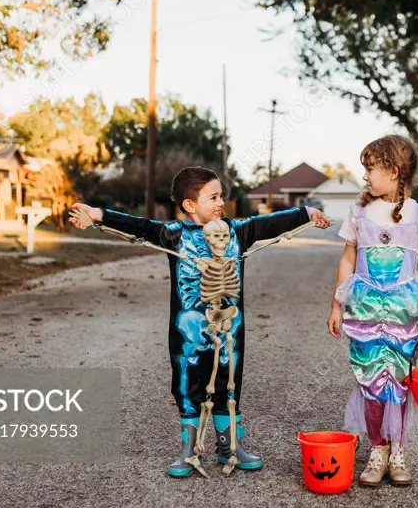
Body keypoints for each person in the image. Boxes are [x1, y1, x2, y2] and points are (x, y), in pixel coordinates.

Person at [70, 166, 331, 478]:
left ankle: (229, 448)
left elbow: (269, 223)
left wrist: (306, 212)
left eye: (221, 195)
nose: (221, 202)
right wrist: (99, 214)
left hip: (230, 332)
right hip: (188, 333)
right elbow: (139, 225)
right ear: (189, 205)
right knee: (187, 385)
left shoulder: (237, 231)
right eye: (213, 197)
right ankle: (189, 450)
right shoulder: (173, 235)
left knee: (228, 385)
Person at [326, 135, 418, 488]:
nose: (365, 176)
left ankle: (398, 450)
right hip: (365, 311)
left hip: (405, 313)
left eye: (370, 169)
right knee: (371, 381)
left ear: (393, 171)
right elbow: (348, 259)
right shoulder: (358, 213)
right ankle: (377, 448)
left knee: (400, 383)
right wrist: (336, 305)